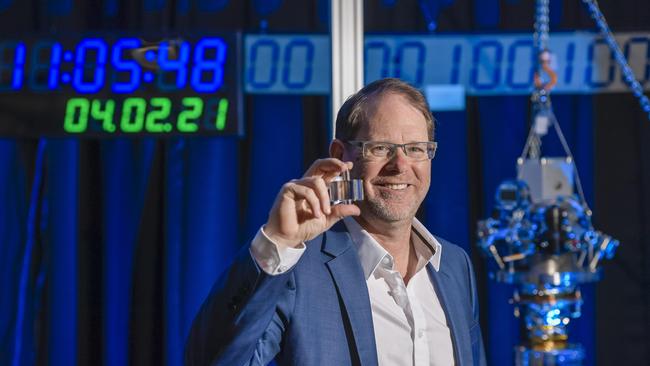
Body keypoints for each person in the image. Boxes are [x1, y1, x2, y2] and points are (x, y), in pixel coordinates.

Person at [184, 78, 486, 366]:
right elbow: (213, 359)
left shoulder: (454, 266)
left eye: (416, 149)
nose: (400, 166)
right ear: (341, 155)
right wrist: (275, 243)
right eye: (380, 148)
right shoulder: (296, 269)